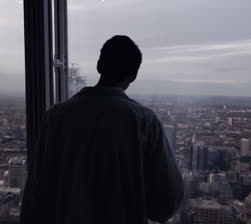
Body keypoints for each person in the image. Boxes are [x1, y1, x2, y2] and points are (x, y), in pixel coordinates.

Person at [21, 35, 184, 224]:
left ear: (99, 66)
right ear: (133, 75)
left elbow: (35, 196)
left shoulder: (55, 117)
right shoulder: (144, 122)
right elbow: (167, 203)